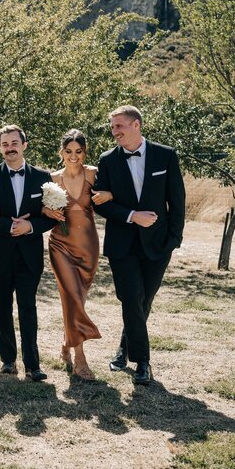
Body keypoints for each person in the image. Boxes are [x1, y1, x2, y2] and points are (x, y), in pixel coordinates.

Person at [93, 105, 185, 385]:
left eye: (119, 126)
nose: (114, 132)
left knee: (143, 300)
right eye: (112, 127)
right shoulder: (107, 160)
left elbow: (177, 200)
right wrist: (132, 216)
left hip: (158, 244)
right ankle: (143, 362)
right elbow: (101, 205)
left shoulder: (165, 155)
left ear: (136, 125)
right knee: (131, 298)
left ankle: (124, 349)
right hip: (122, 244)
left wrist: (174, 239)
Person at [0, 124, 55, 381]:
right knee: (1, 308)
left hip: (29, 255)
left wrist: (30, 226)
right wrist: (11, 224)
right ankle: (8, 360)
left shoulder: (43, 177)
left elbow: (51, 216)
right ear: (0, 148)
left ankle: (33, 364)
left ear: (24, 145)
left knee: (28, 308)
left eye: (14, 143)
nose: (9, 148)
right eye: (4, 144)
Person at [42, 130, 104, 381]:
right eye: (68, 151)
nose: (73, 156)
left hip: (88, 245)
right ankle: (80, 358)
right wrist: (46, 210)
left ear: (84, 152)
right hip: (61, 245)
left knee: (78, 298)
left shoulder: (94, 174)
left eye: (78, 151)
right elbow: (38, 206)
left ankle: (67, 343)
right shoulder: (52, 178)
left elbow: (111, 195)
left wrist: (108, 195)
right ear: (61, 153)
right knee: (72, 296)